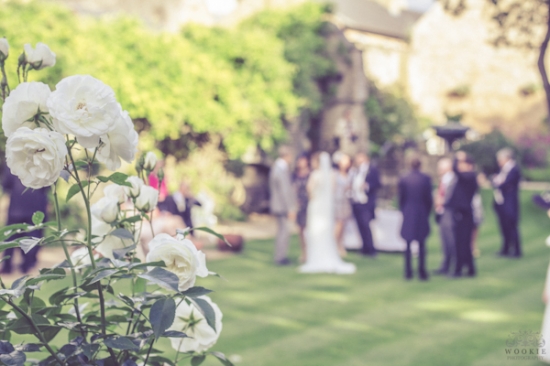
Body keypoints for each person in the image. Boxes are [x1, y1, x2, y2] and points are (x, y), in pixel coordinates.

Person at [299, 152, 356, 274]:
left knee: (315, 231)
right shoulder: (331, 174)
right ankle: (329, 253)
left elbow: (309, 189)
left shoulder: (315, 174)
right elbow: (333, 190)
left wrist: (313, 197)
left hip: (316, 206)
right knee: (326, 231)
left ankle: (314, 256)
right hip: (326, 208)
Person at [1, 171, 49, 274]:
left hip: (16, 208)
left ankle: (8, 266)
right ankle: (26, 265)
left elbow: (6, 185)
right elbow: (48, 185)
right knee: (32, 238)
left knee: (10, 236)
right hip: (35, 208)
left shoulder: (14, 164)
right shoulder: (42, 166)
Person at [398, 157, 433, 280]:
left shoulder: (404, 178)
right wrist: (427, 211)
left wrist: (403, 210)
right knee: (422, 244)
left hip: (408, 212)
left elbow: (401, 198)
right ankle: (422, 272)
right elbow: (429, 199)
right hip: (421, 212)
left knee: (407, 244)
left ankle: (408, 272)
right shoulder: (425, 179)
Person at [446, 152, 479, 278]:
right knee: (462, 242)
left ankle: (460, 269)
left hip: (464, 214)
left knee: (462, 243)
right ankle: (469, 269)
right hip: (461, 213)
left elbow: (455, 171)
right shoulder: (466, 177)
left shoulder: (470, 176)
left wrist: (456, 158)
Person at [269, 146, 296, 266]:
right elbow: (284, 190)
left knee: (281, 231)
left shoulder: (276, 168)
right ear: (287, 155)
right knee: (284, 231)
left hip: (278, 205)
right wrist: (290, 208)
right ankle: (281, 257)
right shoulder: (280, 169)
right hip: (282, 207)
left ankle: (280, 256)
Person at [350, 152, 381, 257]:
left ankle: (371, 249)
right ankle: (364, 248)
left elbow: (377, 183)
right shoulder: (355, 170)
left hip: (366, 202)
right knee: (360, 226)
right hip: (356, 201)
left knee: (366, 225)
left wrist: (367, 186)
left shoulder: (372, 169)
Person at [493, 148, 522, 258]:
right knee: (504, 226)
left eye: (500, 159)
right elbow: (497, 181)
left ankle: (516, 250)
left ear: (506, 158)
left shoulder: (514, 169)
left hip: (510, 203)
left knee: (512, 226)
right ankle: (505, 249)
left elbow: (506, 184)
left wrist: (498, 183)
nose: (498, 162)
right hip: (501, 202)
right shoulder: (503, 169)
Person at [433, 158, 456, 275]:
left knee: (451, 240)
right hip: (441, 213)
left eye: (441, 167)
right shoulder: (443, 180)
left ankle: (454, 265)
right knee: (444, 240)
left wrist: (443, 201)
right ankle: (445, 264)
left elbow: (452, 196)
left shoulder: (453, 179)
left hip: (449, 213)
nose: (439, 170)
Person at [334, 153, 353, 257]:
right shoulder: (335, 174)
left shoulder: (350, 174)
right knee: (339, 224)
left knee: (343, 225)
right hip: (338, 202)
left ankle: (340, 245)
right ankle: (333, 244)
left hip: (346, 201)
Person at [293, 154, 310, 264]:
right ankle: (303, 252)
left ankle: (310, 252)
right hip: (299, 205)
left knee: (309, 229)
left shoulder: (310, 174)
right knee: (301, 230)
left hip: (308, 204)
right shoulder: (295, 175)